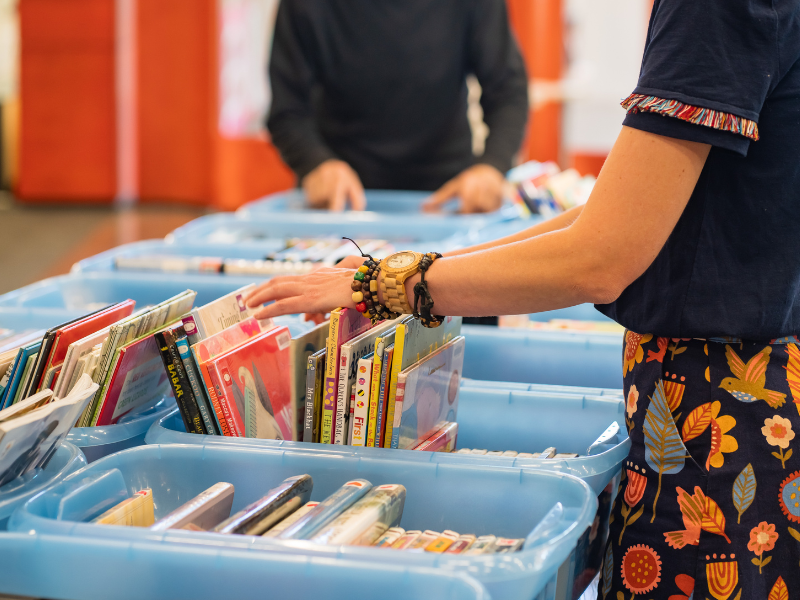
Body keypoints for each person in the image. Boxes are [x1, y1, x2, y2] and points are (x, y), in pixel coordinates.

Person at [247, 0, 800, 596]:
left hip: (719, 420)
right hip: (741, 398)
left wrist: (385, 284)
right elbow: (618, 215)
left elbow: (602, 257)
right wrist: (412, 271)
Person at [266, 0, 529, 213]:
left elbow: (508, 90)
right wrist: (314, 163)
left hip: (446, 199)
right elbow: (286, 110)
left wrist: (492, 166)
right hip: (341, 201)